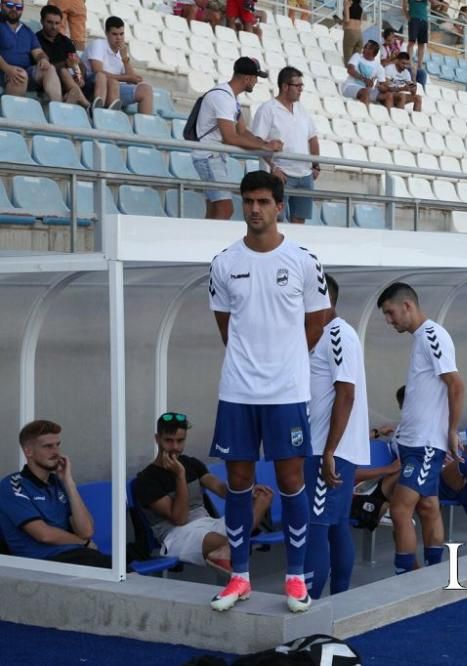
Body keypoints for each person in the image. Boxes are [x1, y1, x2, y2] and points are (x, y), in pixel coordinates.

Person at [207, 170, 329, 613]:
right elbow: (226, 325)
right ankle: (239, 577)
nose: (255, 209)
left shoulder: (303, 260)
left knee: (290, 480)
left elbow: (316, 321)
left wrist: (286, 361)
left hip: (287, 392)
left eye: (263, 201)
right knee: (239, 482)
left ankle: (294, 578)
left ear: (279, 206)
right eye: (248, 201)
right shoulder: (223, 262)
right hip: (238, 391)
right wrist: (251, 361)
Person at [352, 385, 467, 547]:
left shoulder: (433, 426)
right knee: (462, 461)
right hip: (431, 483)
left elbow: (449, 443)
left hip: (454, 479)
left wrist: (452, 440)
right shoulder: (404, 432)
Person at [377, 283, 464, 575]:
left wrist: (452, 431)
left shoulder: (432, 335)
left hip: (426, 444)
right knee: (427, 507)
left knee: (400, 509)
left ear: (407, 306)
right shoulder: (421, 339)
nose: (389, 321)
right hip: (413, 442)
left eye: (390, 313)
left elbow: (456, 384)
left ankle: (407, 575)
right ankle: (433, 573)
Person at [133, 412, 273, 573]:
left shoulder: (192, 463)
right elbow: (180, 518)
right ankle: (228, 552)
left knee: (263, 498)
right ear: (157, 439)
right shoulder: (146, 479)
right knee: (234, 544)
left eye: (180, 441)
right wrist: (180, 476)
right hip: (178, 535)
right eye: (169, 441)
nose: (175, 447)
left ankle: (227, 551)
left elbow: (221, 489)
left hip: (208, 523)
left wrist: (248, 491)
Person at [303, 275, 371, 598]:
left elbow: (346, 393)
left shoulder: (338, 334)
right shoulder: (323, 334)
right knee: (336, 525)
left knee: (317, 525)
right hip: (329, 447)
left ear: (325, 299)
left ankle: (310, 603)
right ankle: (341, 599)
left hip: (327, 449)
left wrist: (329, 450)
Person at [0, 420, 110, 568]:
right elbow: (44, 535)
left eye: (58, 445)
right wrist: (83, 543)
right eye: (48, 446)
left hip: (75, 556)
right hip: (42, 563)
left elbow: (86, 531)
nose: (56, 452)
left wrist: (69, 483)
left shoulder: (58, 483)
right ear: (28, 451)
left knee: (125, 572)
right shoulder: (13, 485)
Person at [191, 57, 281, 221]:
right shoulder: (224, 98)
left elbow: (242, 131)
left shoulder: (230, 97)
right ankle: (214, 244)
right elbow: (231, 137)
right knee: (225, 208)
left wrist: (265, 144)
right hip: (209, 156)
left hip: (213, 157)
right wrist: (265, 148)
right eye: (255, 78)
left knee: (214, 208)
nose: (256, 82)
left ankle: (206, 243)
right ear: (247, 78)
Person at [250, 66, 320, 225]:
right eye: (298, 86)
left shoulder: (302, 110)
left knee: (299, 222)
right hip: (282, 175)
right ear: (284, 86)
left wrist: (316, 166)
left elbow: (313, 139)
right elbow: (257, 142)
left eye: (302, 86)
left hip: (305, 175)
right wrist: (273, 168)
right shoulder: (268, 109)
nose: (301, 89)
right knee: (276, 221)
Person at [82, 16, 154, 115]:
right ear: (107, 33)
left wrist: (125, 59)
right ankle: (97, 112)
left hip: (114, 87)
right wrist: (125, 78)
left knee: (146, 89)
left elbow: (132, 80)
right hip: (92, 86)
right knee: (105, 78)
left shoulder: (122, 51)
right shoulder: (98, 44)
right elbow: (97, 70)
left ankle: (145, 126)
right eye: (114, 34)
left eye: (121, 34)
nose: (119, 37)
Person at [0, 0, 62, 102]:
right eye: (10, 5)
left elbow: (38, 52)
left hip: (25, 73)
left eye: (19, 7)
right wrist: (7, 69)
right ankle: (14, 114)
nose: (14, 9)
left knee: (49, 68)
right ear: (2, 5)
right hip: (3, 71)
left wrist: (42, 59)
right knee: (20, 75)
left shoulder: (27, 31)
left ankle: (57, 108)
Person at [35, 5, 90, 109]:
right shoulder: (35, 40)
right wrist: (65, 64)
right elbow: (43, 67)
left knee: (71, 70)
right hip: (48, 81)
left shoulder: (66, 41)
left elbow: (76, 62)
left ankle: (71, 96)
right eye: (50, 22)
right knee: (63, 71)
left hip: (68, 81)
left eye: (57, 23)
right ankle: (86, 104)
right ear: (42, 21)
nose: (54, 27)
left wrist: (79, 76)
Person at [343, 40, 392, 107]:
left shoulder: (379, 67)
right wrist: (364, 80)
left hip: (367, 90)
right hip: (350, 86)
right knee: (366, 92)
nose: (364, 48)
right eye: (365, 46)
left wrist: (381, 87)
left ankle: (388, 116)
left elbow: (383, 85)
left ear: (373, 52)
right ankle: (365, 113)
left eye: (367, 47)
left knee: (388, 95)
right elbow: (350, 70)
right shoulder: (357, 56)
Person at [402, 0, 429, 75]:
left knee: (422, 44)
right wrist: (408, 18)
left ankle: (420, 64)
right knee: (411, 42)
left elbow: (434, 2)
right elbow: (404, 7)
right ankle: (410, 61)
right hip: (414, 19)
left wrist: (441, 3)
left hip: (424, 20)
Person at [342, 0, 363, 65]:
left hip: (350, 32)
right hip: (359, 34)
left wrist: (340, 21)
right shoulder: (360, 6)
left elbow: (347, 20)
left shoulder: (347, 2)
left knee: (348, 62)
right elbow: (361, 22)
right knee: (355, 63)